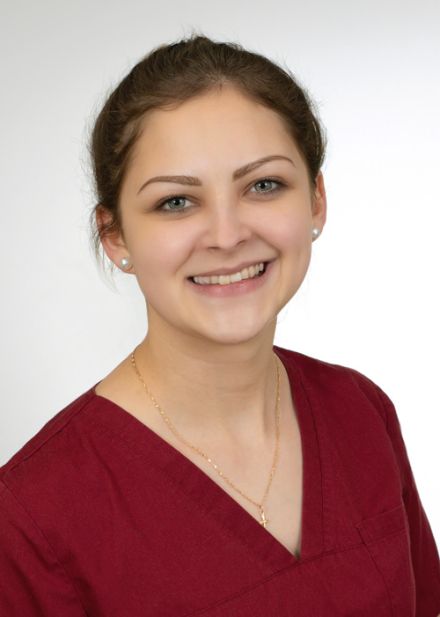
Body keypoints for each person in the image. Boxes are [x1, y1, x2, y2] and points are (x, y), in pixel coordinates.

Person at [0, 33, 439, 616]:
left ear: (315, 200)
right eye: (176, 202)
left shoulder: (360, 411)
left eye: (263, 186)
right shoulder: (33, 514)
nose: (228, 236)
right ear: (116, 236)